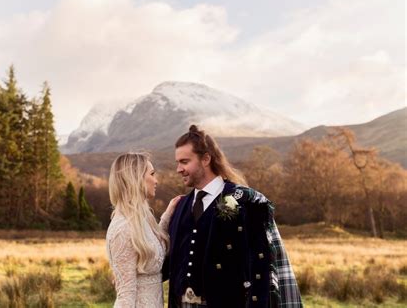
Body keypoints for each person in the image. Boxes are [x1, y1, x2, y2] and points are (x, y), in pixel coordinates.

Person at [164, 125, 302, 307]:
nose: (178, 169)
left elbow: (273, 262)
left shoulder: (247, 202)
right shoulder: (179, 206)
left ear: (206, 159)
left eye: (184, 162)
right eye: (177, 162)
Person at [106, 152, 182, 307]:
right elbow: (126, 294)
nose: (156, 180)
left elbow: (151, 246)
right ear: (136, 178)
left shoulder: (141, 220)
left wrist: (167, 217)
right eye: (152, 174)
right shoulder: (123, 229)